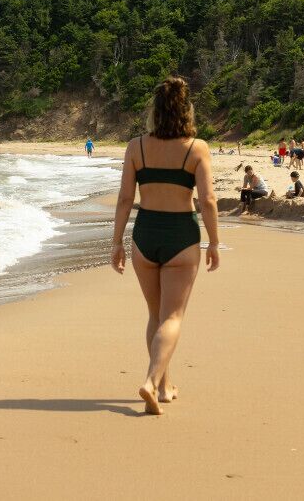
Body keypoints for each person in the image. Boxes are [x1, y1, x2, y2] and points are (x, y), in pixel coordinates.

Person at [111, 77, 219, 416]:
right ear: (186, 110)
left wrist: (116, 242)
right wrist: (215, 242)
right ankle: (150, 380)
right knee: (173, 317)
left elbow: (126, 198)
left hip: (145, 236)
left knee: (155, 315)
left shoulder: (136, 147)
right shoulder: (196, 148)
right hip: (180, 235)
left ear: (155, 112)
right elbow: (208, 200)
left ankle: (163, 386)